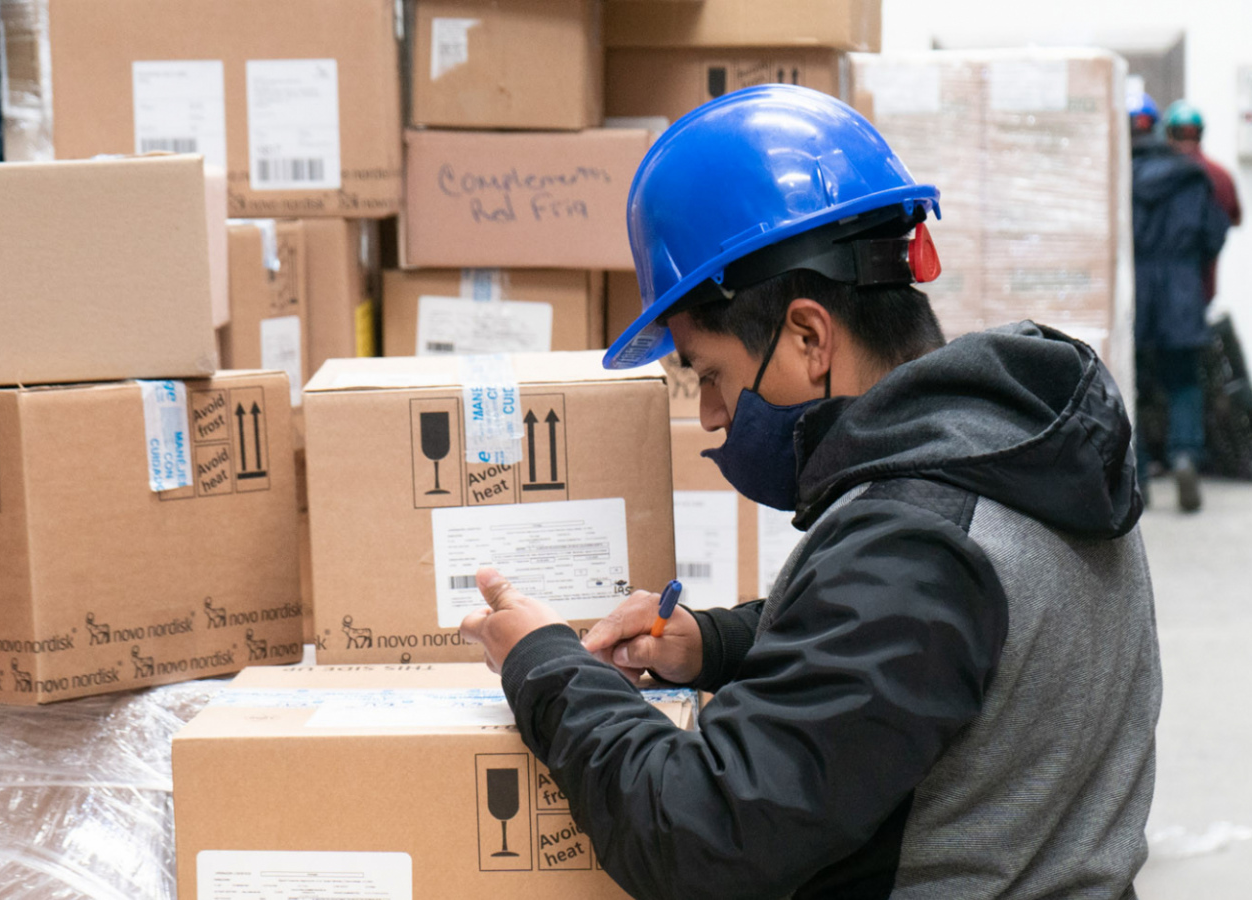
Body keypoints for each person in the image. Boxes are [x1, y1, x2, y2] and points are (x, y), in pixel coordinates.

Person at [458, 84, 1161, 900]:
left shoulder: (916, 541)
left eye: (711, 375)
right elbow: (944, 655)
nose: (713, 414)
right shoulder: (1019, 450)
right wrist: (714, 643)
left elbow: (708, 837)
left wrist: (544, 667)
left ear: (808, 337)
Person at [1132, 97, 1230, 512]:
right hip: (1182, 287)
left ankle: (1135, 474)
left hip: (1137, 288)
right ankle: (1185, 455)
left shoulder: (1127, 176)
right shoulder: (1197, 176)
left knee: (1127, 384)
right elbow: (1214, 235)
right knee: (1184, 382)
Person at [1163, 100, 1242, 302]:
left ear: (1168, 134)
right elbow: (1235, 218)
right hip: (1203, 287)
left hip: (1161, 290)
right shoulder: (1220, 175)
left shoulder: (1157, 175)